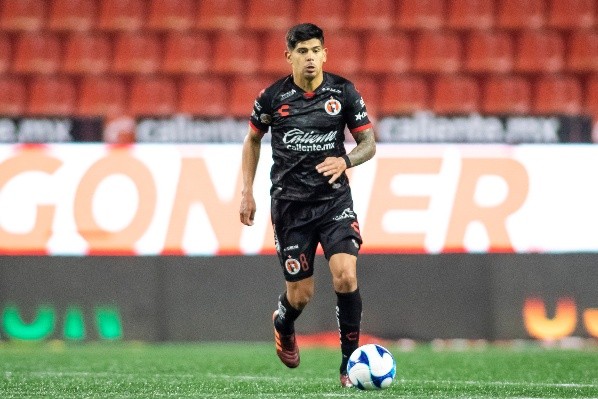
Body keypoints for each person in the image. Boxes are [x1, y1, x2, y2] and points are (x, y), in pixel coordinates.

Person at [239, 23, 376, 388]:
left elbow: (369, 144)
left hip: (334, 202)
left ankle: (349, 367)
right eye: (302, 51)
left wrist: (345, 161)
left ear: (325, 53)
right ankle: (283, 321)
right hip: (290, 208)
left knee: (346, 274)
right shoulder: (271, 98)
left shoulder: (343, 92)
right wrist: (246, 192)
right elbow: (253, 140)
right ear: (289, 56)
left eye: (316, 50)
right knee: (301, 294)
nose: (311, 57)